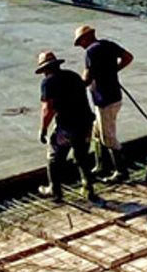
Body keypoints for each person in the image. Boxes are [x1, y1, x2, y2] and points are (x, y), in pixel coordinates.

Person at [35, 48, 99, 202]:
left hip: (67, 127)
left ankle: (55, 190)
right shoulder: (73, 76)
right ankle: (88, 188)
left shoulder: (47, 83)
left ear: (45, 69)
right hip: (85, 124)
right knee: (82, 156)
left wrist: (43, 129)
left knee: (54, 157)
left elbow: (48, 109)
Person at [73, 20, 133, 177]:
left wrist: (73, 88)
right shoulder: (108, 45)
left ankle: (121, 171)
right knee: (97, 132)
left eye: (80, 42)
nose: (81, 45)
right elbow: (128, 57)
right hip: (114, 96)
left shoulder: (91, 52)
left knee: (108, 137)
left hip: (104, 100)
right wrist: (113, 71)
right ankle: (101, 166)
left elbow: (86, 78)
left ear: (87, 37)